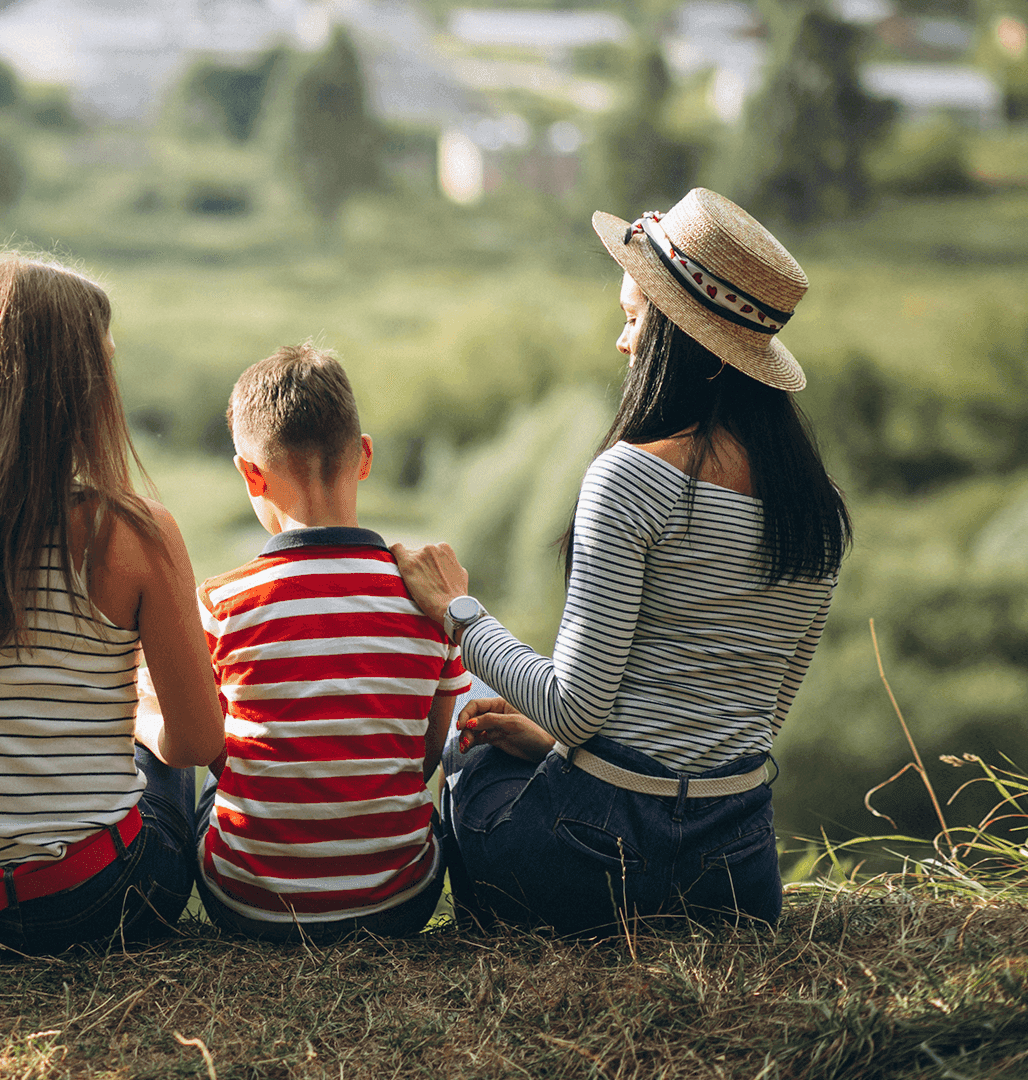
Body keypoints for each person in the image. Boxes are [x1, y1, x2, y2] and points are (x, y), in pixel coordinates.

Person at [391, 188, 852, 934]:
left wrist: (458, 613)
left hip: (591, 865)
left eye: (634, 317)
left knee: (472, 762)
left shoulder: (633, 476)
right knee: (521, 742)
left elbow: (578, 705)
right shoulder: (818, 511)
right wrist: (554, 740)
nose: (624, 342)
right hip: (736, 874)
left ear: (679, 336)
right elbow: (747, 722)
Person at [0, 252, 225, 954]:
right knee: (161, 769)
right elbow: (199, 743)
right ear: (77, 388)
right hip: (95, 898)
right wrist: (140, 717)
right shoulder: (131, 533)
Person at [194, 345, 468, 942]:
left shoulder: (219, 605)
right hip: (400, 903)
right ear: (364, 455)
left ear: (250, 473)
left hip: (251, 908)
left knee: (214, 790)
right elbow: (425, 756)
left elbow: (219, 753)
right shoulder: (431, 599)